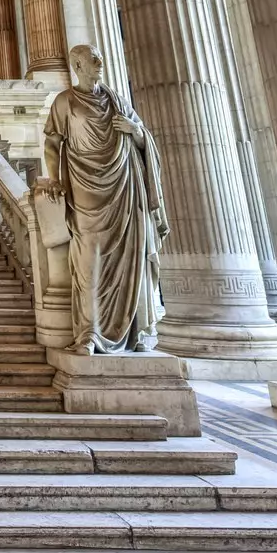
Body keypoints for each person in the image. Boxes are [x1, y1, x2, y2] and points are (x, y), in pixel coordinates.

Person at [38, 44, 168, 353]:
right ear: (77, 66)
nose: (100, 63)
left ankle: (134, 330)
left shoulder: (118, 101)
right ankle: (90, 332)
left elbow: (142, 137)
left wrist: (136, 131)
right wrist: (55, 178)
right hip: (85, 191)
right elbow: (52, 142)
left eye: (100, 58)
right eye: (92, 59)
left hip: (123, 190)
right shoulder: (65, 102)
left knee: (130, 256)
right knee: (89, 263)